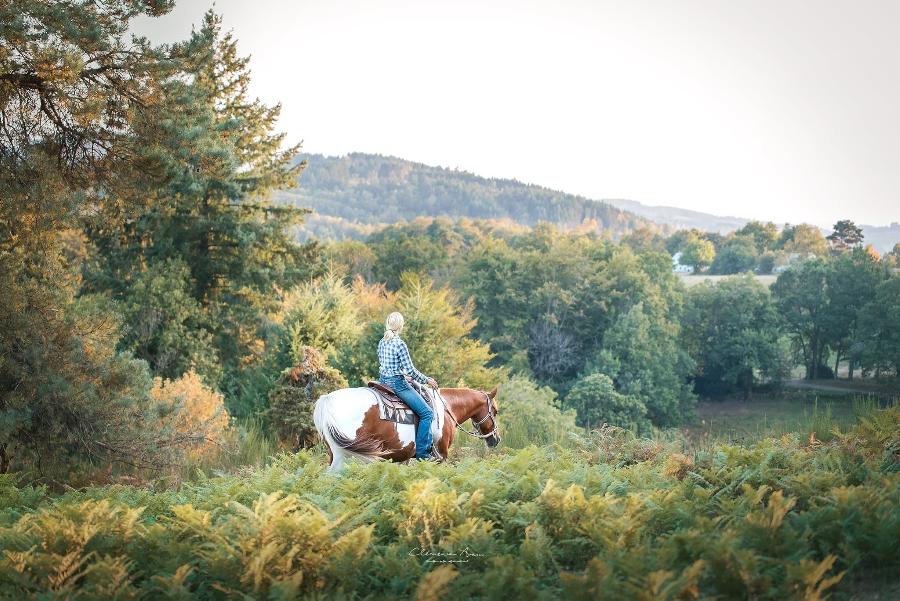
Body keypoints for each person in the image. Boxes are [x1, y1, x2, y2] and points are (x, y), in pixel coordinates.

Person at [378, 312, 441, 461]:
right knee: (427, 414)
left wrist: (398, 372)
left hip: (383, 381)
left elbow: (384, 365)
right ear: (401, 326)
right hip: (397, 384)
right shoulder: (400, 344)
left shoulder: (382, 341)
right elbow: (410, 370)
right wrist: (426, 380)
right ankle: (423, 454)